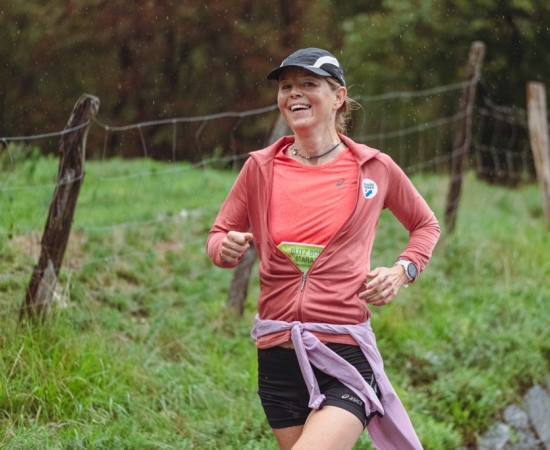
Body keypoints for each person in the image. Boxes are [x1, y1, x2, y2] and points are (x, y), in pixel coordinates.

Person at [206, 47, 440, 450]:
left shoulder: (374, 167)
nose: (294, 93)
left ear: (338, 97)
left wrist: (402, 271)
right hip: (278, 357)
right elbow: (219, 234)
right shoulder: (261, 167)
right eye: (286, 86)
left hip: (344, 353)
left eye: (308, 83)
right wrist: (223, 247)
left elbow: (425, 225)